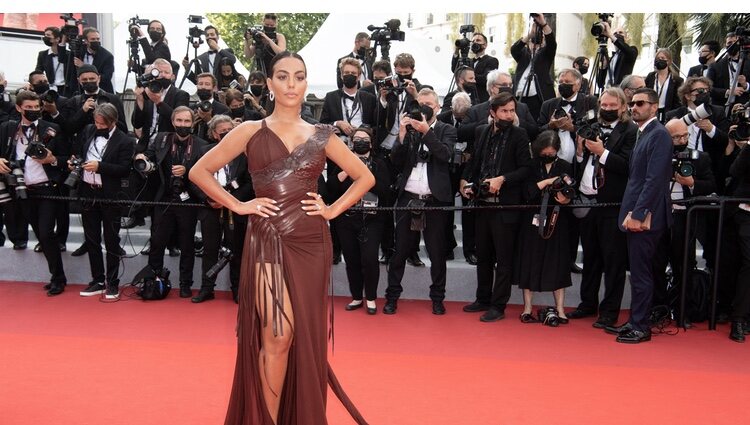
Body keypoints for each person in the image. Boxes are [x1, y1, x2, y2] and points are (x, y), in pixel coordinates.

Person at [189, 51, 371, 425]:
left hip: (311, 241)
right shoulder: (249, 131)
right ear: (269, 84)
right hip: (267, 237)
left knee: (301, 338)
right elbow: (200, 171)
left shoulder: (322, 136)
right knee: (277, 335)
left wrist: (333, 210)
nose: (291, 84)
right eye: (283, 76)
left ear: (306, 84)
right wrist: (238, 206)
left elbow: (365, 177)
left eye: (299, 77)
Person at [459, 92, 533, 321]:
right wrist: (464, 180)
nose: (509, 115)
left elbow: (526, 169)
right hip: (482, 204)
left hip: (506, 206)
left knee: (503, 258)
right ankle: (483, 298)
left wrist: (503, 180)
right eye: (505, 111)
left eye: (512, 111)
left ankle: (498, 305)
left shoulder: (520, 135)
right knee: (484, 255)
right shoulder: (482, 131)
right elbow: (474, 161)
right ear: (493, 112)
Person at [384, 88, 456, 315]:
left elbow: (445, 155)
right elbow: (395, 161)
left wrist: (426, 132)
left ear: (437, 107)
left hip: (435, 201)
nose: (424, 108)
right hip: (408, 199)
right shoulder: (409, 129)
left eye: (429, 104)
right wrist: (403, 136)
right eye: (420, 104)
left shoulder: (447, 129)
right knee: (400, 251)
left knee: (437, 252)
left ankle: (437, 298)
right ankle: (392, 297)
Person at [570, 87, 636, 328]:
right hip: (587, 201)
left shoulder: (630, 131)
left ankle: (609, 311)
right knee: (591, 258)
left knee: (613, 261)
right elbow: (580, 165)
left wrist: (603, 152)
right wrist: (579, 152)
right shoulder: (591, 126)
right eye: (604, 106)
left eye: (612, 106)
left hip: (612, 204)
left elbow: (628, 166)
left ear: (623, 106)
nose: (607, 110)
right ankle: (587, 304)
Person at [612, 88, 673, 344]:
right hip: (638, 211)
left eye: (640, 103)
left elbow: (654, 180)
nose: (634, 107)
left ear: (654, 106)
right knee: (639, 272)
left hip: (646, 216)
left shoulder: (659, 135)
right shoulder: (643, 133)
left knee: (641, 273)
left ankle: (641, 326)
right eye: (632, 103)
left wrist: (638, 214)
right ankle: (636, 321)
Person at [0, 91, 68, 295]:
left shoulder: (52, 129)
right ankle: (58, 275)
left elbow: (67, 158)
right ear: (19, 108)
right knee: (40, 233)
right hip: (21, 190)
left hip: (47, 189)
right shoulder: (7, 129)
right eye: (28, 108)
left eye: (36, 107)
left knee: (46, 232)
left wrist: (52, 160)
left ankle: (58, 279)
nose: (33, 111)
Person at [651, 118, 715, 320]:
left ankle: (682, 309)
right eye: (676, 137)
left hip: (685, 217)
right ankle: (658, 309)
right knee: (656, 263)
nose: (681, 140)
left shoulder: (701, 157)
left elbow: (711, 185)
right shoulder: (658, 156)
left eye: (685, 135)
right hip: (661, 214)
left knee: (683, 264)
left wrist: (691, 182)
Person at [72, 104, 134, 299]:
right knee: (91, 239)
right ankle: (97, 280)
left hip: (110, 195)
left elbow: (124, 169)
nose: (97, 126)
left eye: (102, 123)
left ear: (113, 121)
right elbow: (80, 152)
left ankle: (113, 283)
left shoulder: (125, 141)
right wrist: (75, 161)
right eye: (96, 122)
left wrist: (100, 166)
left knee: (111, 240)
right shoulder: (89, 130)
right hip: (88, 192)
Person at [328, 127, 390, 314]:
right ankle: (356, 297)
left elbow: (385, 190)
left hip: (372, 219)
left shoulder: (379, 163)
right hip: (346, 220)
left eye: (364, 139)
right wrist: (348, 169)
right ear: (351, 142)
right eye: (356, 139)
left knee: (370, 259)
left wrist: (365, 173)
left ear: (371, 143)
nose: (360, 142)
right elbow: (330, 189)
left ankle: (370, 298)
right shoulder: (341, 162)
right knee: (352, 259)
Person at [516, 130, 574, 324]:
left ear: (557, 150)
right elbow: (527, 192)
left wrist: (565, 198)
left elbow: (570, 194)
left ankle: (560, 309)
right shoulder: (531, 167)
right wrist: (547, 182)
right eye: (545, 152)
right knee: (529, 261)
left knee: (557, 262)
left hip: (557, 221)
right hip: (532, 220)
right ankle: (527, 308)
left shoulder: (565, 166)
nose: (548, 155)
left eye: (551, 152)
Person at [511, 13, 556, 118]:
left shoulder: (545, 55)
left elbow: (552, 43)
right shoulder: (523, 55)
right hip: (519, 98)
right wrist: (531, 34)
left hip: (537, 99)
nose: (534, 44)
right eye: (532, 42)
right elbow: (514, 49)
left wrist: (543, 24)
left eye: (538, 42)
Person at [451, 32, 498, 103]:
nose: (475, 42)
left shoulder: (492, 60)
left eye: (478, 40)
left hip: (482, 99)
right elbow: (455, 70)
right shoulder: (469, 61)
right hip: (466, 99)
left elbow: (486, 79)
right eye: (473, 41)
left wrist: (467, 76)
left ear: (485, 45)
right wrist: (456, 52)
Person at [644, 48, 684, 123]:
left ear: (668, 61)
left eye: (662, 58)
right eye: (657, 58)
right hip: (651, 112)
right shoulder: (651, 76)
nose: (659, 60)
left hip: (667, 114)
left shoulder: (676, 80)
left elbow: (678, 102)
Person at [75, 27, 115, 94]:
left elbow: (107, 77)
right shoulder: (80, 51)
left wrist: (84, 66)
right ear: (86, 41)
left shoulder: (107, 56)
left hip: (101, 91)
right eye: (93, 39)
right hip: (82, 92)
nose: (96, 41)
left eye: (98, 39)